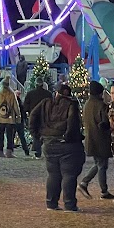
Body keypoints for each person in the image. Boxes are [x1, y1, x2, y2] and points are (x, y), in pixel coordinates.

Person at [29, 82, 86, 212]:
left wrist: (37, 135)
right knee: (69, 174)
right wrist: (70, 137)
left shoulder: (46, 103)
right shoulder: (72, 105)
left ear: (56, 93)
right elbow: (73, 123)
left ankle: (51, 203)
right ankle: (69, 205)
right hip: (67, 144)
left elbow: (33, 115)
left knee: (53, 174)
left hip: (49, 142)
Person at [79, 81, 114, 200]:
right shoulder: (101, 105)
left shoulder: (87, 104)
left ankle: (85, 183)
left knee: (99, 164)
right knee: (102, 165)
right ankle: (102, 190)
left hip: (91, 138)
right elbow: (106, 122)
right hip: (101, 139)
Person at [0, 77, 21, 158]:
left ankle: (0, 151)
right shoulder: (11, 93)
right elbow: (16, 106)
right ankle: (9, 152)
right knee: (9, 135)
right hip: (10, 118)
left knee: (0, 135)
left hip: (0, 117)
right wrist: (18, 115)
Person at [23, 77, 52, 158]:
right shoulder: (48, 94)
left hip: (34, 116)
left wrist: (29, 111)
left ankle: (37, 151)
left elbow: (25, 106)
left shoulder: (30, 94)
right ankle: (46, 150)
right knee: (46, 133)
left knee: (35, 133)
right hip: (45, 116)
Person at [14, 90, 31, 157]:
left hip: (14, 120)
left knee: (12, 135)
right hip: (20, 120)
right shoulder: (20, 102)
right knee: (22, 136)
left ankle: (10, 150)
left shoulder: (14, 101)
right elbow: (23, 111)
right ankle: (26, 150)